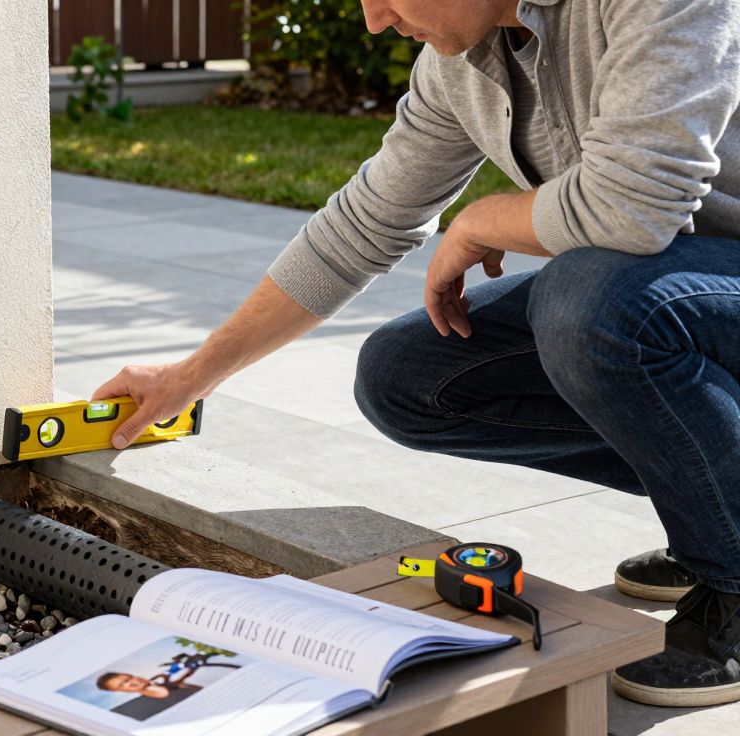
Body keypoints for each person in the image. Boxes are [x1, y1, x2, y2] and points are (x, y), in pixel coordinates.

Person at [90, 0, 740, 708]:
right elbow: (362, 225)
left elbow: (630, 209)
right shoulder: (462, 64)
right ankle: (711, 512)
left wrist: (482, 218)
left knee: (588, 309)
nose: (373, 20)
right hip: (677, 294)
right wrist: (192, 376)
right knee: (409, 376)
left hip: (684, 286)